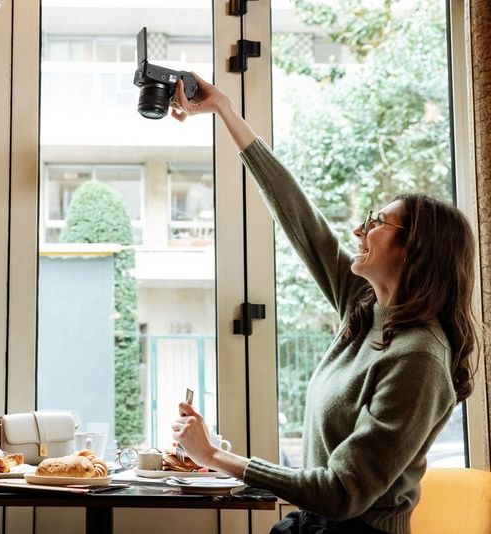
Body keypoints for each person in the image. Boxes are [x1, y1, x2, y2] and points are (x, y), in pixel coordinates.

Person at [169, 75, 478, 534]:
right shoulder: (365, 305)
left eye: (377, 222)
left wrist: (214, 456)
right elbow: (300, 217)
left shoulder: (418, 358)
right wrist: (225, 111)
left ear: (414, 250)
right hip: (316, 527)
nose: (359, 229)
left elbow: (341, 492)